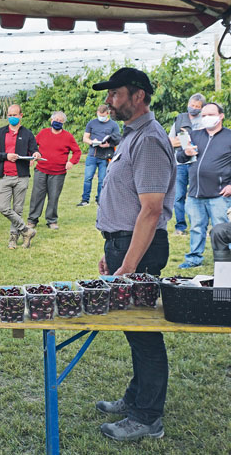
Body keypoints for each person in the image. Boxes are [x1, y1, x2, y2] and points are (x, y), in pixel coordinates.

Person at [92, 67, 175, 441]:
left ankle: (147, 418)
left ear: (138, 95)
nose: (109, 100)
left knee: (145, 332)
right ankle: (136, 398)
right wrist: (114, 253)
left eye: (116, 93)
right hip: (125, 245)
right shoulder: (131, 137)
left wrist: (127, 264)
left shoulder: (151, 140)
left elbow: (151, 210)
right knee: (135, 328)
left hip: (139, 248)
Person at [176, 102, 231, 269]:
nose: (206, 118)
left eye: (211, 114)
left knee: (222, 229)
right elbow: (180, 157)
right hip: (195, 193)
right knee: (196, 228)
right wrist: (186, 153)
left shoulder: (229, 136)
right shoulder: (195, 135)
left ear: (221, 116)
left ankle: (226, 261)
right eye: (204, 115)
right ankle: (194, 258)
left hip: (219, 194)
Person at [0, 104, 40, 249]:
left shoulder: (28, 134)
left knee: (18, 209)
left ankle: (13, 238)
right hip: (5, 176)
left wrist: (36, 154)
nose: (12, 118)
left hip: (21, 176)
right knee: (3, 208)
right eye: (10, 115)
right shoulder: (0, 133)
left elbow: (34, 150)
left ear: (21, 116)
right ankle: (26, 230)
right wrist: (6, 156)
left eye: (15, 115)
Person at [27, 111, 81, 230]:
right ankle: (32, 220)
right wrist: (31, 157)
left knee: (53, 196)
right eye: (56, 120)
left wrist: (71, 161)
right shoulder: (43, 133)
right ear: (51, 121)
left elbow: (77, 151)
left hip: (58, 173)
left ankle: (51, 220)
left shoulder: (68, 137)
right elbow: (33, 146)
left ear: (64, 123)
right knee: (37, 195)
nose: (58, 122)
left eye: (61, 121)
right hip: (41, 170)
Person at [168, 93, 205, 235]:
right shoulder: (179, 119)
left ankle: (199, 226)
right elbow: (169, 141)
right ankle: (180, 226)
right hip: (180, 162)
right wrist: (182, 141)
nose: (194, 108)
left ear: (201, 108)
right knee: (179, 196)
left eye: (197, 107)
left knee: (199, 195)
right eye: (192, 105)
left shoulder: (204, 120)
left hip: (199, 162)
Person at [78, 104, 120, 207]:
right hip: (92, 155)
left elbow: (118, 140)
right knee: (88, 178)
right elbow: (85, 138)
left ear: (107, 113)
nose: (101, 116)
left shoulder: (114, 125)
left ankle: (100, 199)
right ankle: (85, 200)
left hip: (105, 156)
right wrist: (92, 142)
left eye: (103, 115)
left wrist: (108, 145)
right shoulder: (91, 123)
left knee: (102, 179)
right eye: (99, 114)